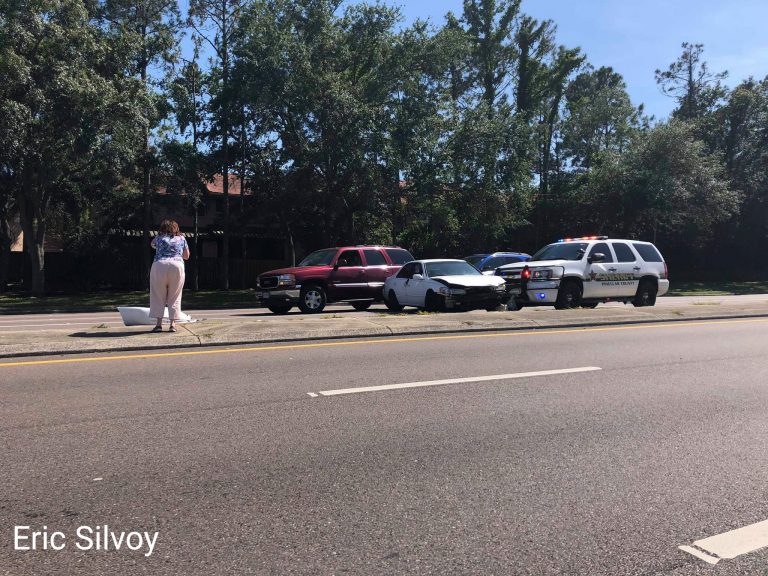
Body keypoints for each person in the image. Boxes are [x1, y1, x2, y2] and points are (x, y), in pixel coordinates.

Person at [149, 220, 190, 332]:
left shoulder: (158, 238)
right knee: (175, 295)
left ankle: (158, 325)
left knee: (157, 295)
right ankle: (172, 324)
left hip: (159, 265)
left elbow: (152, 244)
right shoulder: (182, 238)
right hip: (177, 266)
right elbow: (186, 256)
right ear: (176, 228)